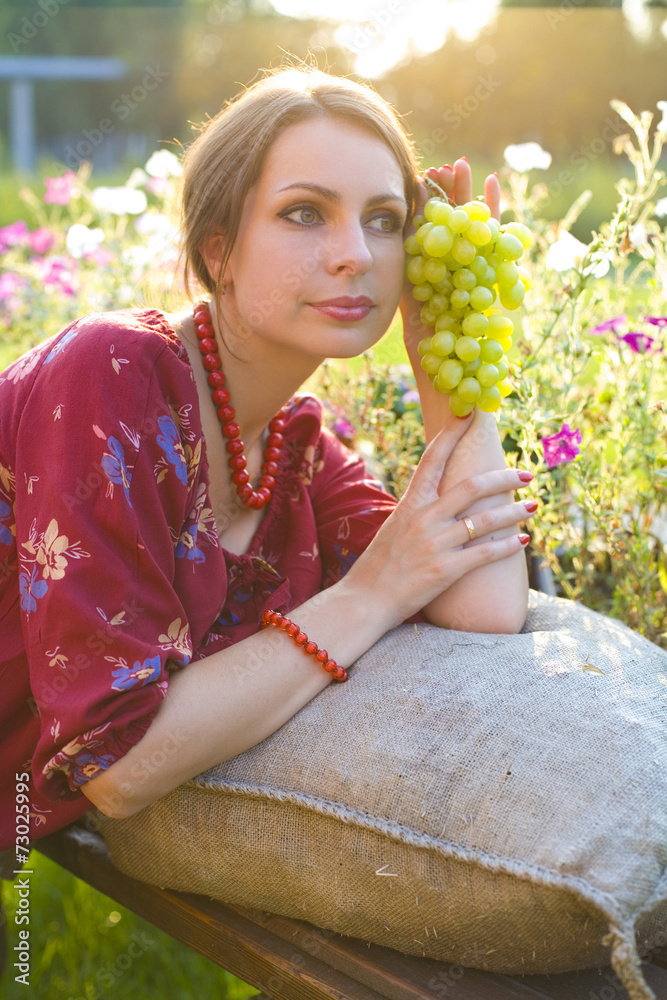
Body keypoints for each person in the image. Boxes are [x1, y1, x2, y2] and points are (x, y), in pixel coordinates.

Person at [0, 65, 536, 850]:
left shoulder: (300, 455)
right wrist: (372, 594)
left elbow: (484, 610)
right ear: (218, 250)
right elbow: (118, 766)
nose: (356, 253)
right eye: (304, 213)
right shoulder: (110, 373)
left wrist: (444, 358)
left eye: (385, 220)